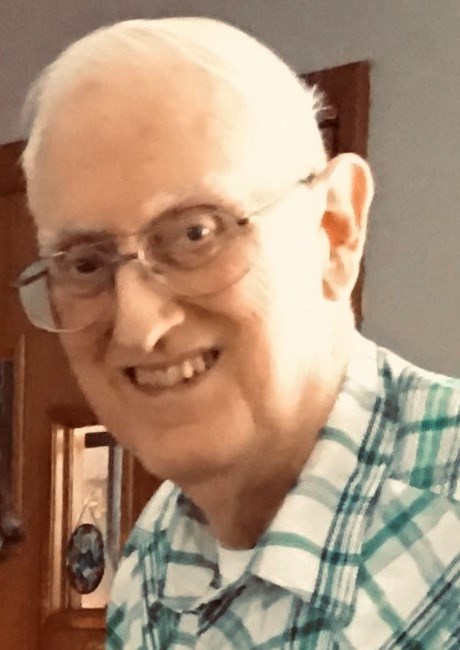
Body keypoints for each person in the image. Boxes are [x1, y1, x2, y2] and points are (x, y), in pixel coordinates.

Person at [16, 17, 459, 649]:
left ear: (334, 230)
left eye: (196, 233)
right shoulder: (154, 554)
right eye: (85, 264)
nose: (138, 328)